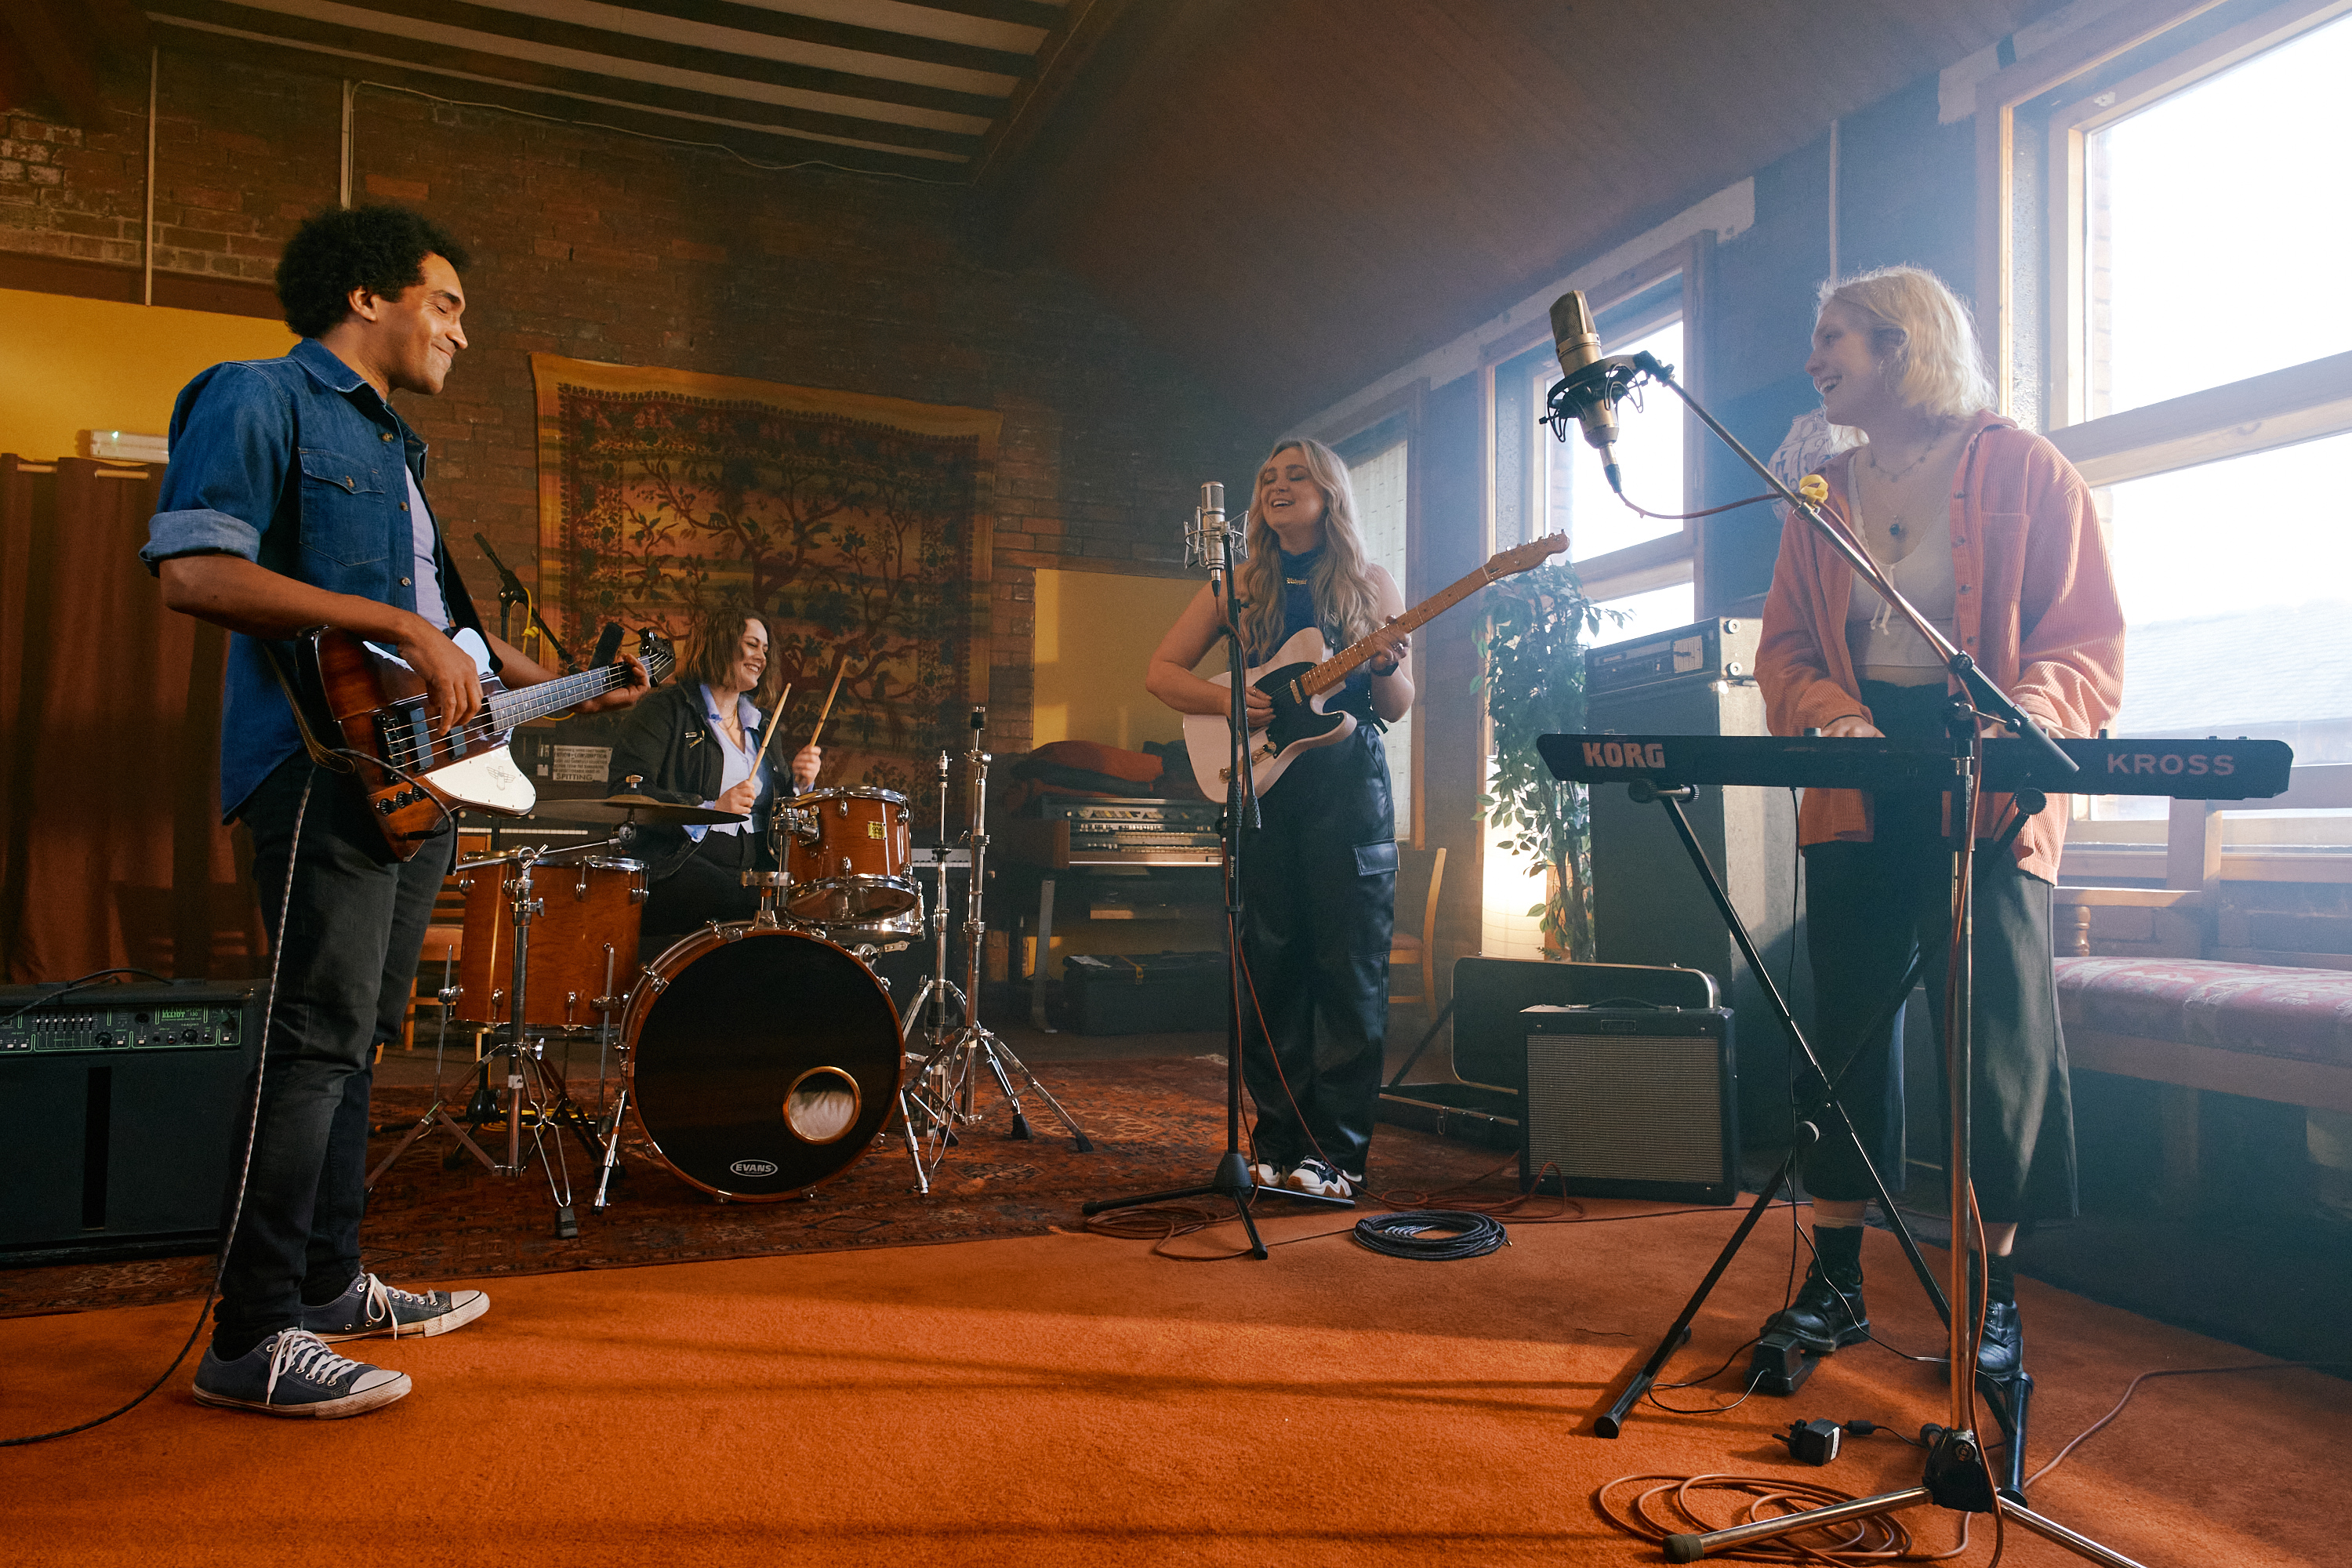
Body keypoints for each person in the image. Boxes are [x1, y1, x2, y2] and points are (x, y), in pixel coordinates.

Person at [143, 205, 648, 1418]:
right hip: (322, 769)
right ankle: (250, 1336)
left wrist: (582, 683)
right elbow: (194, 569)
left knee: (362, 1040)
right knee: (312, 1042)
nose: (462, 334)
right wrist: (401, 627)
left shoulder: (401, 457)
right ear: (367, 296)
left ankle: (326, 1286)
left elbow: (459, 646)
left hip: (417, 781)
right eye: (449, 303)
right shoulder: (256, 395)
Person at [1755, 265, 2125, 1378]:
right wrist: (1831, 718)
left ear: (1903, 343)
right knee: (1846, 1024)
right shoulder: (1818, 491)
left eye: (1835, 340)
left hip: (1993, 778)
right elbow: (1785, 650)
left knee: (1996, 1036)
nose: (1814, 360)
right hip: (1857, 774)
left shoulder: (2025, 468)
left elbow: (2085, 641)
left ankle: (1992, 1298)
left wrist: (2024, 730)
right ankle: (1832, 1286)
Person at [1145, 438, 1412, 1199]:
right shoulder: (1239, 583)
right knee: (1271, 970)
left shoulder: (1369, 581)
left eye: (1297, 475)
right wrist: (1226, 699)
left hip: (1349, 795)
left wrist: (1389, 666)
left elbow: (1395, 707)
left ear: (1330, 492)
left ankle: (1338, 1156)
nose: (1278, 486)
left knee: (1348, 975)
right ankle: (1277, 1143)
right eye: (1269, 478)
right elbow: (1161, 671)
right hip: (1262, 794)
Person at [612, 607, 822, 957]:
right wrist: (710, 810)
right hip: (680, 863)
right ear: (721, 645)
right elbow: (627, 792)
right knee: (741, 906)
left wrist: (801, 785)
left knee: (809, 909)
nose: (761, 657)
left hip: (756, 866)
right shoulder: (664, 710)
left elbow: (779, 812)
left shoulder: (762, 724)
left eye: (765, 650)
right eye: (752, 645)